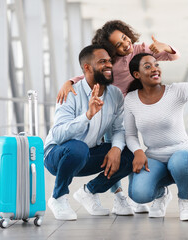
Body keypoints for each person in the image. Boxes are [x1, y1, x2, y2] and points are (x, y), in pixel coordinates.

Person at [55, 20, 180, 213]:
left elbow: (172, 57)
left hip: (139, 108)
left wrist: (167, 48)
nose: (124, 45)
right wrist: (70, 81)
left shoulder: (141, 49)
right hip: (116, 113)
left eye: (124, 38)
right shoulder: (111, 62)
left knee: (136, 151)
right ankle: (120, 196)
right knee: (116, 153)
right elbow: (91, 73)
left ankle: (138, 195)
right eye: (118, 45)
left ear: (127, 32)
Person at [124, 29, 188, 221]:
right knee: (139, 195)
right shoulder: (131, 100)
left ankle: (185, 201)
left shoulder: (176, 91)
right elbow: (131, 135)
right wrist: (138, 151)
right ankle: (161, 194)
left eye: (156, 65)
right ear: (136, 74)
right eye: (147, 67)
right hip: (155, 158)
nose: (155, 69)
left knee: (179, 161)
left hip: (186, 156)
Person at [44, 44, 134, 221]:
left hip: (87, 154)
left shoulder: (115, 94)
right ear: (87, 67)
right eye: (102, 62)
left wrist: (116, 149)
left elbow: (118, 129)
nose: (109, 65)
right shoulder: (71, 93)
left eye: (109, 61)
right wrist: (87, 116)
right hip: (57, 155)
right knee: (78, 148)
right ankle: (58, 198)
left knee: (129, 155)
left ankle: (89, 192)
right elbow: (58, 135)